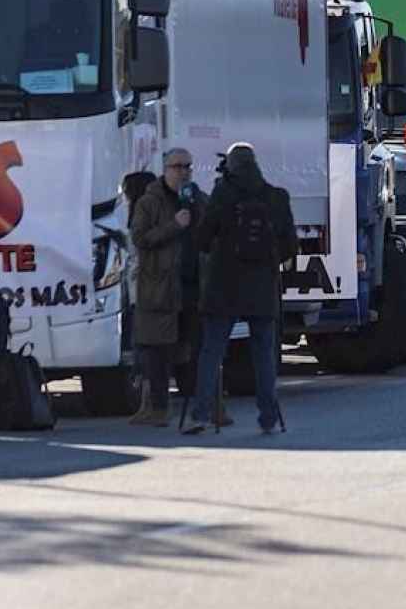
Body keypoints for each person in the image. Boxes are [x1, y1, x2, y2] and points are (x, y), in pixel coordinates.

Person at [187, 143, 297, 434]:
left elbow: (202, 238)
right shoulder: (276, 197)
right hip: (262, 287)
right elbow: (290, 246)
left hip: (224, 285)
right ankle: (268, 417)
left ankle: (201, 413)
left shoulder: (223, 195)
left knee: (212, 351)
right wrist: (270, 261)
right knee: (263, 354)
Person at [126, 152, 199, 426]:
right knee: (156, 351)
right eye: (178, 167)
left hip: (191, 286)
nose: (184, 172)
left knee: (195, 349)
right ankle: (157, 407)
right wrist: (174, 226)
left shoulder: (195, 198)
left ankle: (204, 407)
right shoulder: (149, 202)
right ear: (166, 170)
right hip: (159, 287)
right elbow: (140, 238)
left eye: (188, 167)